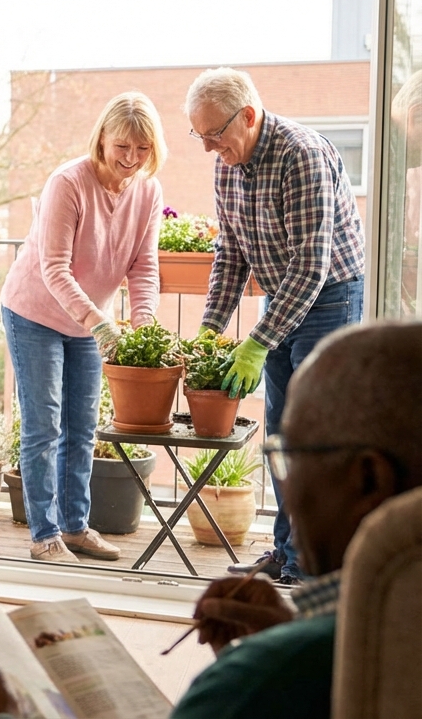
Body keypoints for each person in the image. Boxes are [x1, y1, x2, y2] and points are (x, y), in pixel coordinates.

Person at [0, 320, 422, 719]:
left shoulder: (261, 680)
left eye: (290, 456)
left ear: (367, 480)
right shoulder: (382, 642)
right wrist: (287, 626)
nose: (286, 486)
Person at [184, 67, 366, 586]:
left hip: (331, 296)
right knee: (283, 438)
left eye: (214, 134)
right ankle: (288, 554)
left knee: (314, 437)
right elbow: (230, 256)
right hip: (284, 298)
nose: (207, 148)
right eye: (199, 136)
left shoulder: (301, 155)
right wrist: (212, 331)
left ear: (248, 115)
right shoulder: (227, 165)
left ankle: (315, 565)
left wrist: (257, 343)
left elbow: (311, 265)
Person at [0, 91, 168, 564]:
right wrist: (99, 323)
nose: (131, 159)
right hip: (35, 311)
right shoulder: (68, 182)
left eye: (142, 149)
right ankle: (44, 535)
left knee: (83, 426)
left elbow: (143, 265)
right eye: (123, 147)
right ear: (103, 139)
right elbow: (54, 268)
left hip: (91, 323)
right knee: (44, 424)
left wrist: (143, 324)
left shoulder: (148, 192)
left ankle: (75, 527)